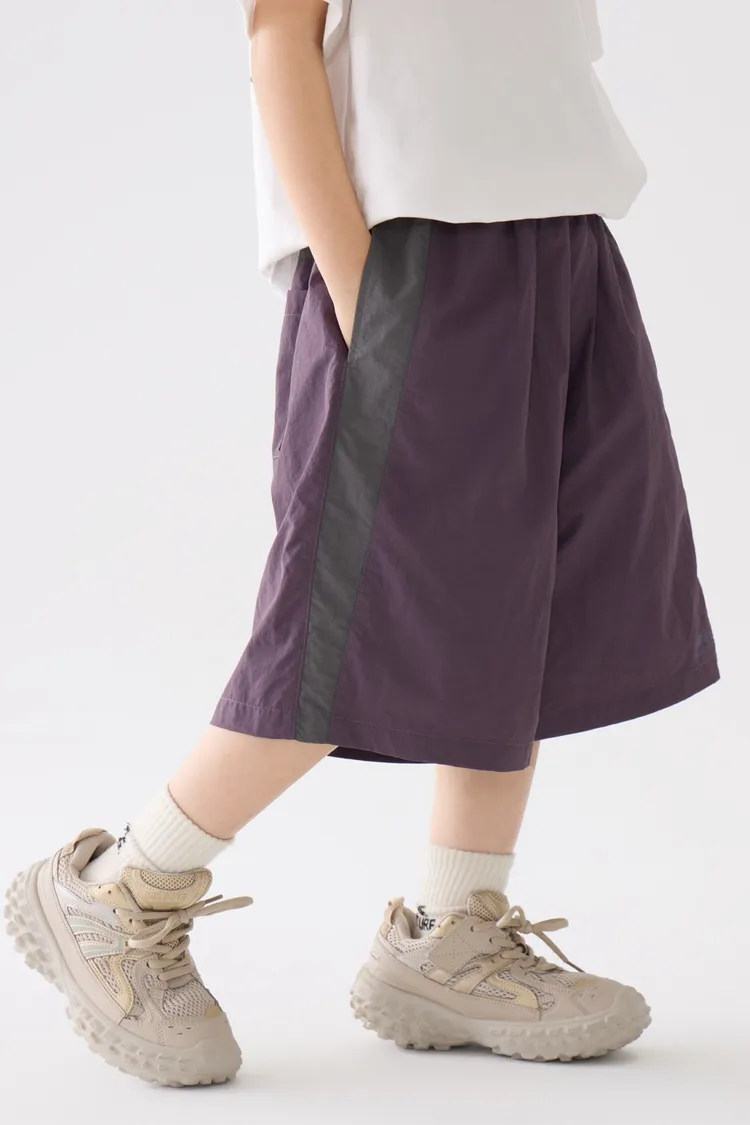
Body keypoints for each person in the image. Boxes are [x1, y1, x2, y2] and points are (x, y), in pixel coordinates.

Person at [6, 0, 719, 1086]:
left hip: (563, 235)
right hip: (410, 252)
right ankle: (120, 890)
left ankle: (449, 931)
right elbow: (278, 39)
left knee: (526, 606)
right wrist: (360, 288)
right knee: (353, 624)